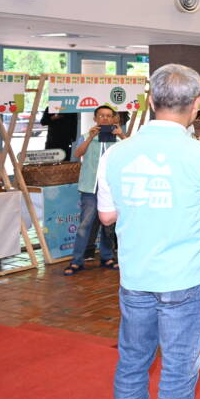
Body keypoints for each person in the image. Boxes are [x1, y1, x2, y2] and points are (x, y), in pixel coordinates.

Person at [95, 63, 200, 399]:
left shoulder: (117, 153)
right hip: (183, 278)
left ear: (151, 100)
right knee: (178, 369)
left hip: (135, 276)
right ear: (195, 103)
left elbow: (106, 216)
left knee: (132, 363)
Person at [63, 105, 125, 275]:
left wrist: (121, 135)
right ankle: (77, 261)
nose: (105, 118)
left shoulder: (119, 140)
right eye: (101, 116)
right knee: (85, 225)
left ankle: (107, 257)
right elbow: (77, 153)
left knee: (108, 225)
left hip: (111, 189)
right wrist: (91, 137)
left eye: (108, 116)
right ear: (95, 118)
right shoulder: (86, 136)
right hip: (90, 188)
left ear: (113, 119)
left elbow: (132, 153)